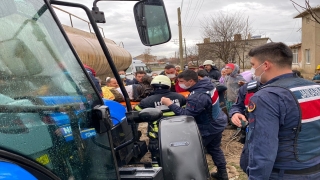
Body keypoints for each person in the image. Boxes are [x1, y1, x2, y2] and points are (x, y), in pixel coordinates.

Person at [231, 42, 320, 179]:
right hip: (314, 167)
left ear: (265, 65)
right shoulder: (314, 88)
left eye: (253, 65)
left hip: (285, 172)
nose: (252, 69)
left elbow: (263, 150)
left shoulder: (267, 96)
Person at [161, 70, 229, 180]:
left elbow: (187, 115)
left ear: (191, 81)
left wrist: (170, 104)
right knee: (214, 148)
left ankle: (195, 175)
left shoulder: (197, 96)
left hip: (208, 127)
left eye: (182, 81)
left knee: (193, 151)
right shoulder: (207, 83)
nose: (179, 84)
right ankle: (222, 173)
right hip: (218, 121)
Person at [134, 75, 186, 164]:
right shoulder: (180, 97)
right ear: (169, 86)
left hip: (157, 134)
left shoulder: (147, 101)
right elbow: (185, 112)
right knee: (179, 153)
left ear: (153, 87)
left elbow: (137, 114)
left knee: (157, 155)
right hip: (178, 131)